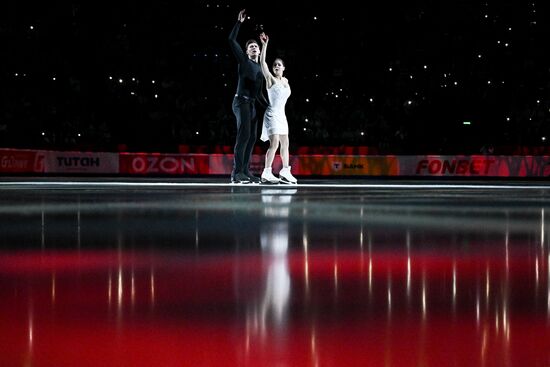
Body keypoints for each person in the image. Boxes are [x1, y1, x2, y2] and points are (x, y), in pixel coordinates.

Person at [228, 9, 264, 184]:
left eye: (256, 46)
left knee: (251, 139)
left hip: (251, 105)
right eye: (251, 46)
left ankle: (245, 171)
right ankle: (236, 173)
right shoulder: (244, 61)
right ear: (247, 51)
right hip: (240, 101)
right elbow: (231, 40)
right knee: (243, 136)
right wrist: (239, 23)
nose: (254, 48)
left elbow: (259, 93)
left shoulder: (260, 69)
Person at [258, 32, 297, 184]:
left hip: (282, 115)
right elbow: (262, 64)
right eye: (274, 65)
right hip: (272, 114)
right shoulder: (270, 79)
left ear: (283, 68)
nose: (276, 66)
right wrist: (265, 45)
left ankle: (285, 171)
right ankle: (266, 172)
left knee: (285, 143)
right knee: (274, 143)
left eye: (278, 65)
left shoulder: (286, 81)